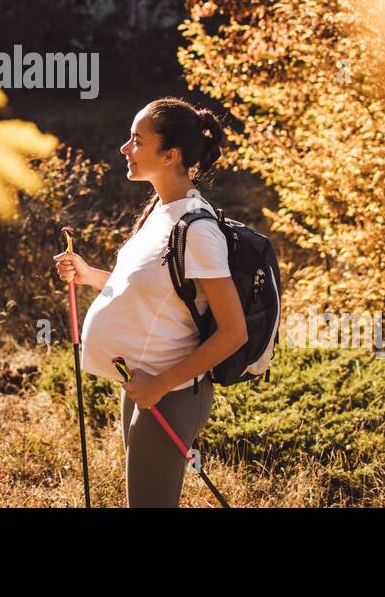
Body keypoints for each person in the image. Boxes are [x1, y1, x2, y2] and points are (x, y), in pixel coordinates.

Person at [54, 97, 246, 507]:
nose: (125, 148)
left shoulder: (197, 230)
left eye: (137, 140)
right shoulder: (161, 210)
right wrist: (89, 275)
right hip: (143, 384)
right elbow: (147, 291)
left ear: (170, 154)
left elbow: (234, 332)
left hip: (170, 392)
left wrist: (158, 385)